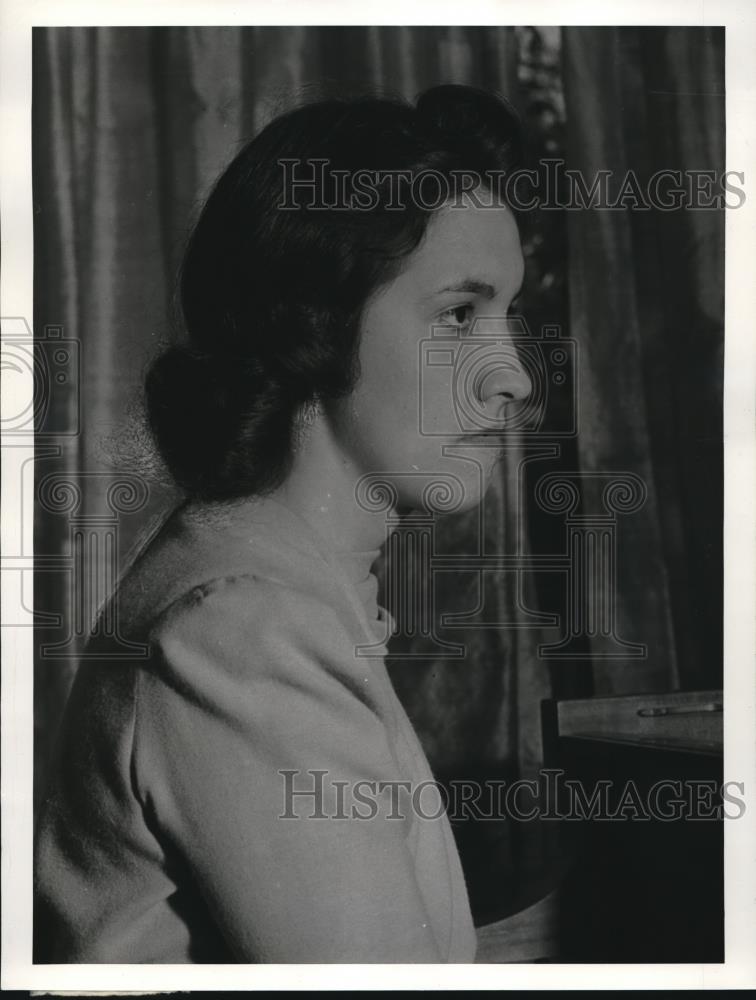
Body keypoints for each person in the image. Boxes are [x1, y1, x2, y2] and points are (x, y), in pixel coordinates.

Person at [34, 84, 532, 963]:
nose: (515, 377)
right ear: (317, 323)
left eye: (508, 316)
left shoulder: (277, 579)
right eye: (460, 315)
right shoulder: (245, 630)